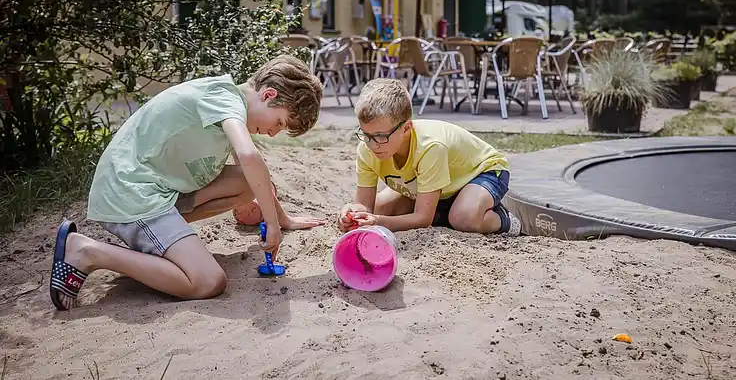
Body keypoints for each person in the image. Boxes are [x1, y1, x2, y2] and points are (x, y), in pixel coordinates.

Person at [49, 55, 326, 311]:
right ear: (268, 95)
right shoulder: (224, 99)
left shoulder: (228, 101)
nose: (274, 133)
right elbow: (249, 155)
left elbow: (252, 174)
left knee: (247, 182)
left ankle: (163, 242)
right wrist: (272, 225)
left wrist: (282, 218)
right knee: (208, 281)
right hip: (132, 193)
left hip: (159, 190)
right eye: (279, 122)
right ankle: (87, 251)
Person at [337, 78, 521, 236]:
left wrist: (377, 221)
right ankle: (444, 211)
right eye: (366, 135)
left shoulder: (430, 146)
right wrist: (353, 214)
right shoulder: (367, 149)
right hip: (438, 186)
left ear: (406, 128)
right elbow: (365, 206)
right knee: (382, 209)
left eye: (380, 136)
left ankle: (503, 221)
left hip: (483, 172)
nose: (371, 144)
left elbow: (423, 219)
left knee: (463, 218)